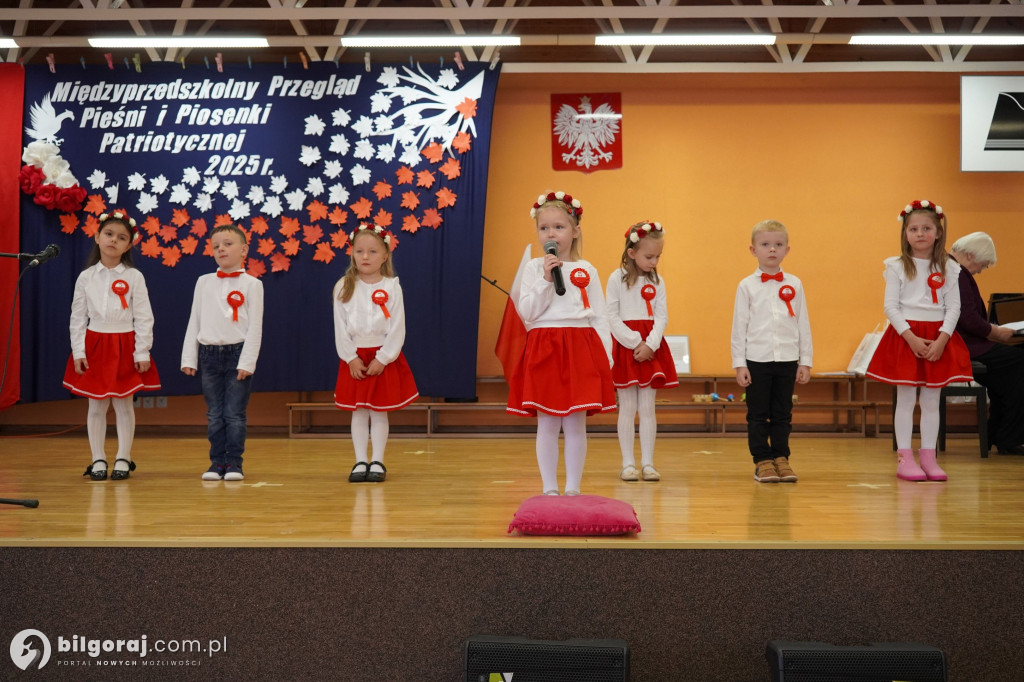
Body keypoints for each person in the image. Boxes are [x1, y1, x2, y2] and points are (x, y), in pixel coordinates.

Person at [505, 191, 615, 496]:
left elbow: (600, 316)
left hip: (581, 346)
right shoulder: (532, 268)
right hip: (544, 346)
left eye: (559, 227)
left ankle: (573, 489)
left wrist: (606, 356)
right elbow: (526, 312)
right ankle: (550, 488)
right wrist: (544, 278)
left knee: (576, 423)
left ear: (575, 230)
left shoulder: (587, 270)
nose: (550, 233)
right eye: (544, 228)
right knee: (548, 423)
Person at [866, 200, 973, 480]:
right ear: (905, 234)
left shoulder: (950, 269)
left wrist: (942, 340)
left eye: (927, 228)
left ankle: (929, 456)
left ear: (938, 232)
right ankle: (905, 458)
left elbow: (954, 308)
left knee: (931, 399)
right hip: (906, 337)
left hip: (938, 336)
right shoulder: (897, 266)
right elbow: (890, 306)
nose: (920, 233)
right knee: (905, 398)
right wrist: (910, 337)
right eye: (913, 229)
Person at [63, 209, 160, 481]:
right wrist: (79, 350)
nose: (113, 241)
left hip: (124, 343)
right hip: (95, 343)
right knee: (96, 405)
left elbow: (144, 316)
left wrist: (142, 350)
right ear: (97, 237)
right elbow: (77, 316)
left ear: (129, 245)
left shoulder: (134, 277)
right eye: (108, 234)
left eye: (121, 237)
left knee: (123, 404)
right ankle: (97, 459)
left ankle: (123, 457)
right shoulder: (86, 277)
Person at [333, 223, 419, 483]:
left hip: (382, 356)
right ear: (352, 254)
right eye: (360, 251)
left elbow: (397, 327)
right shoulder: (343, 287)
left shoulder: (392, 287)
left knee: (379, 411)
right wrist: (350, 357)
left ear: (385, 255)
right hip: (356, 359)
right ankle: (360, 460)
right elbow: (340, 328)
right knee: (358, 411)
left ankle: (378, 461)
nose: (366, 257)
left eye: (372, 251)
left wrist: (384, 357)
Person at [731, 220, 812, 483]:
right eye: (765, 245)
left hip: (787, 360)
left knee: (782, 413)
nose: (772, 250)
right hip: (757, 360)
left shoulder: (795, 284)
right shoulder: (746, 286)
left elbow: (803, 323)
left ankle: (781, 458)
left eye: (778, 245)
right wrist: (739, 364)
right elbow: (739, 327)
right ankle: (762, 460)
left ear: (787, 249)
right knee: (757, 413)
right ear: (753, 250)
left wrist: (805, 361)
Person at [181, 224, 264, 481]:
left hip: (238, 353)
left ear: (244, 249)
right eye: (216, 245)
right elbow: (194, 319)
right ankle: (216, 463)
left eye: (228, 244)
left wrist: (248, 361)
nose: (221, 249)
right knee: (214, 414)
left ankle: (234, 463)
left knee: (234, 414)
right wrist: (189, 357)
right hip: (208, 355)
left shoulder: (253, 284)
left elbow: (255, 327)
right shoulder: (203, 282)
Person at [606, 221, 678, 482]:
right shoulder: (616, 278)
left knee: (647, 407)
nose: (654, 261)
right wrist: (635, 342)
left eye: (658, 256)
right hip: (627, 348)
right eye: (649, 256)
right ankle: (628, 464)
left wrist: (650, 344)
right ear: (632, 253)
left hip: (651, 348)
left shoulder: (659, 281)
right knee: (627, 406)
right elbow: (611, 316)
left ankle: (648, 463)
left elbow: (662, 317)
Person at [950, 232, 1024, 455]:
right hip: (964, 346)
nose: (981, 271)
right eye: (982, 265)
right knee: (1019, 361)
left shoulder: (951, 270)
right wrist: (996, 332)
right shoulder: (958, 273)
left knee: (1011, 372)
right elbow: (968, 319)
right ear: (971, 255)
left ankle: (999, 434)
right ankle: (1007, 437)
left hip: (964, 342)